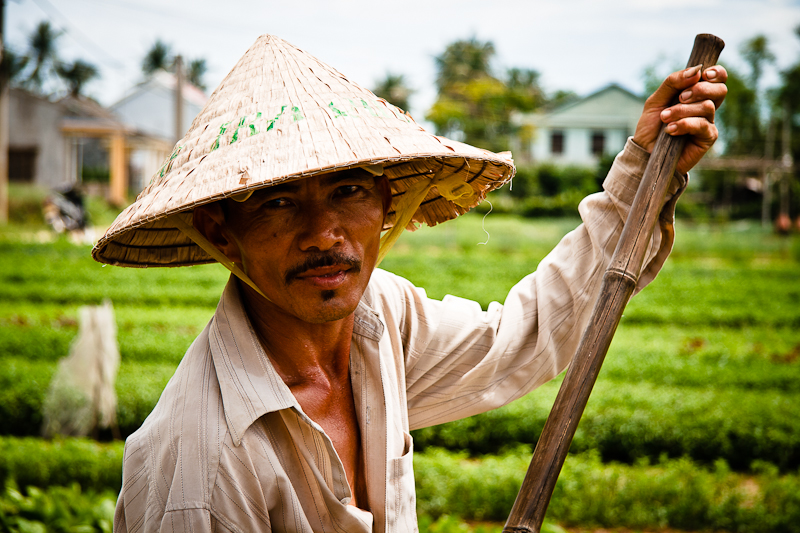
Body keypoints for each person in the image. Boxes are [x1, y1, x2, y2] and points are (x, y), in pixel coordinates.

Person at [93, 35, 727, 532]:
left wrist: (644, 170)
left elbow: (524, 337)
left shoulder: (382, 319)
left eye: (348, 191)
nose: (323, 234)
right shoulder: (197, 470)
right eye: (278, 203)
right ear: (222, 232)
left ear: (388, 205)